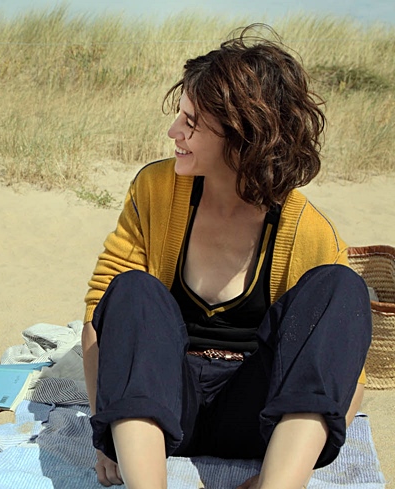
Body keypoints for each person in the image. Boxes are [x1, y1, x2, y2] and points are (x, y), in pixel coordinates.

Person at [81, 25, 372, 489]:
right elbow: (100, 320)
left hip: (258, 417)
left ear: (242, 135)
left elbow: (342, 370)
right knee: (131, 290)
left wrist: (284, 468)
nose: (173, 132)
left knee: (341, 286)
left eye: (191, 121)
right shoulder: (156, 190)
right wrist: (105, 435)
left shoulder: (306, 230)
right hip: (159, 411)